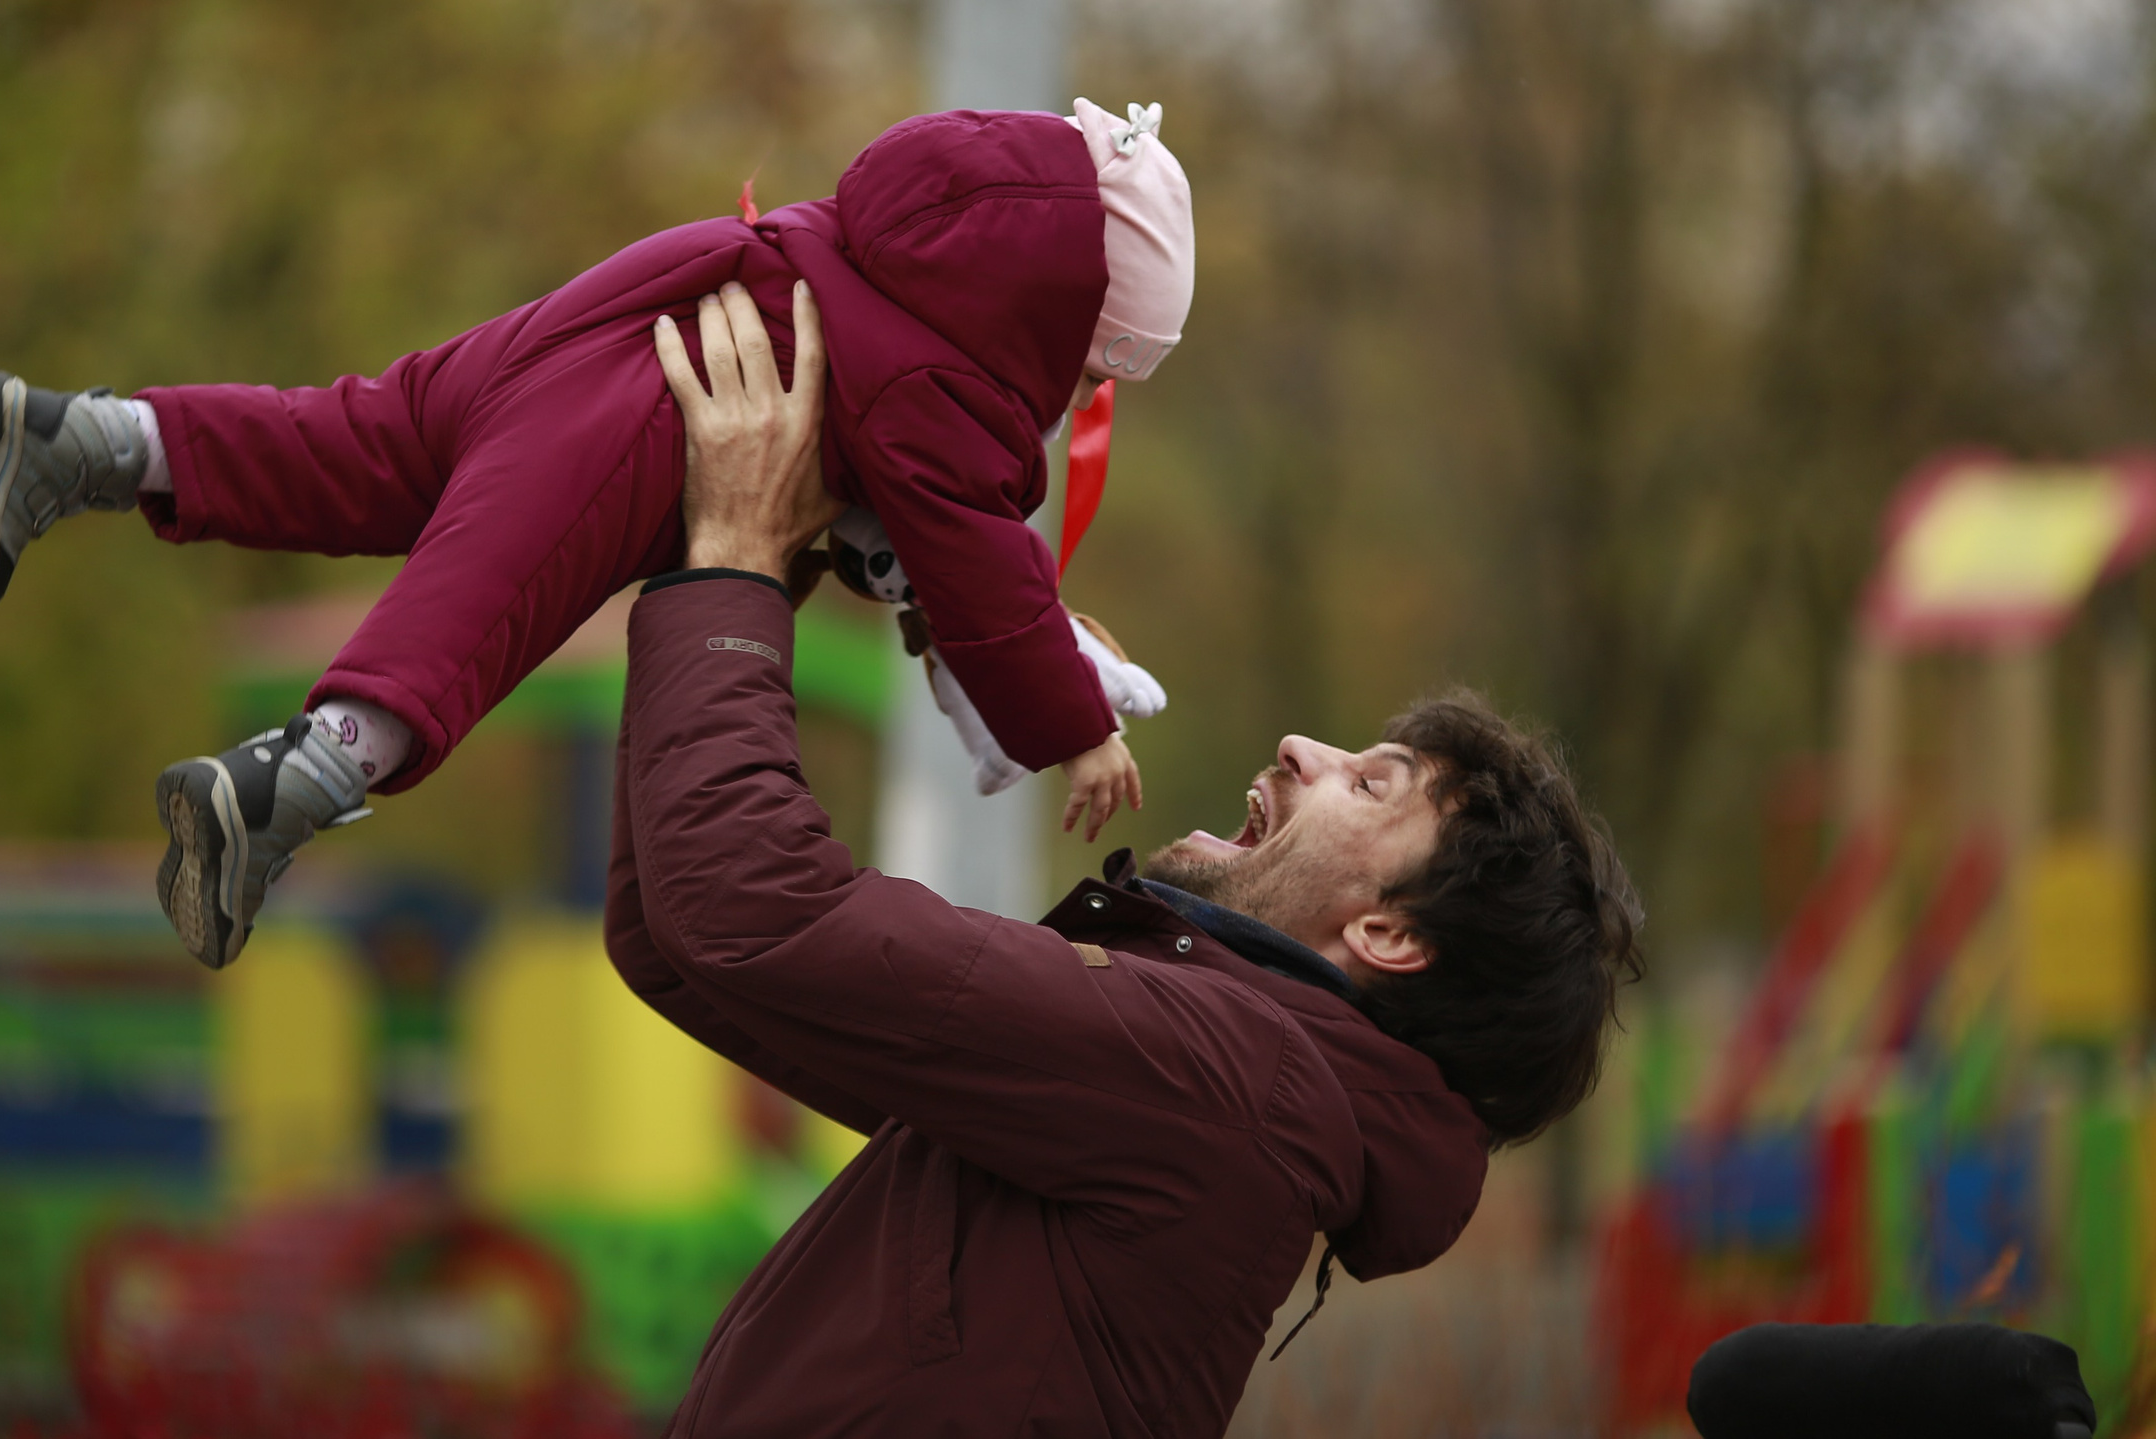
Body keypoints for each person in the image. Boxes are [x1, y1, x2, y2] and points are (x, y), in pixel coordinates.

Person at [607, 233, 1645, 1437]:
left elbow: (750, 909)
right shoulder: (1234, 1080)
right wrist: (758, 558)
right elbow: (678, 936)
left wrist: (733, 555)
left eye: (1370, 784)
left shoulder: (1229, 1081)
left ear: (1386, 933)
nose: (1302, 750)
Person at [0, 98, 1192, 969]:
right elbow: (973, 566)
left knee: (363, 437)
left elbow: (890, 533)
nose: (1081, 401)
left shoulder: (868, 252)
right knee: (494, 593)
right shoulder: (955, 388)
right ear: (1060, 311)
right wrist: (1070, 724)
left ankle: (86, 441)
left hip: (623, 304)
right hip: (644, 421)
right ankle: (284, 784)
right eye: (1093, 369)